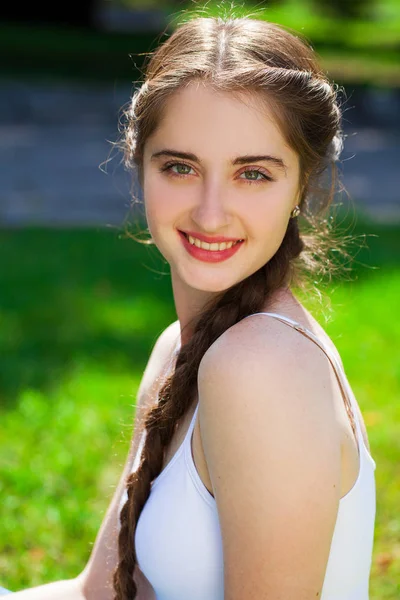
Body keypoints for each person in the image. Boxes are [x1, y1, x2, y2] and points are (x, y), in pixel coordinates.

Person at [9, 8, 376, 600]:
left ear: (301, 186)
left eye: (252, 174)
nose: (210, 212)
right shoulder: (179, 349)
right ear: (140, 167)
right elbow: (96, 594)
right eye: (180, 167)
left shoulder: (262, 365)